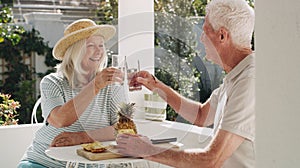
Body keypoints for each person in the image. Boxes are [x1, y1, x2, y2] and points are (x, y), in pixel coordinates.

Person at [116, 0, 255, 167]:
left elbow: (211, 160)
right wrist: (157, 86)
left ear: (222, 36)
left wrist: (147, 150)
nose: (201, 39)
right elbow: (201, 115)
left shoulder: (249, 81)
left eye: (205, 32)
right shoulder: (236, 76)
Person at [18, 19, 126, 167]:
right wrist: (95, 85)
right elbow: (59, 120)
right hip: (44, 162)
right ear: (76, 50)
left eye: (101, 45)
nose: (99, 51)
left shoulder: (111, 85)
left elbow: (123, 129)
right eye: (91, 46)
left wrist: (81, 137)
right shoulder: (53, 82)